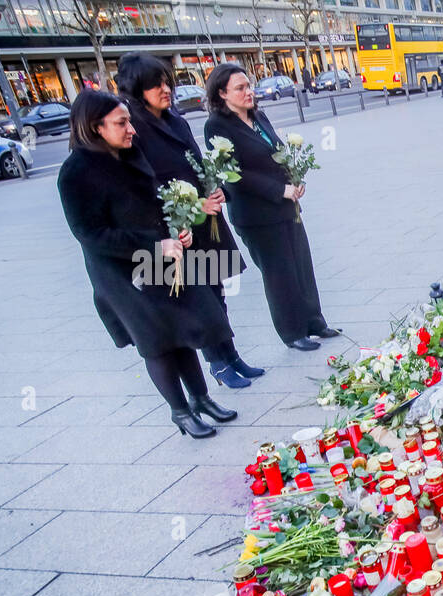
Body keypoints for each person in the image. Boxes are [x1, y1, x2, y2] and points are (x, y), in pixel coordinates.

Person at [58, 90, 237, 438]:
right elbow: (89, 234)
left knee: (183, 329)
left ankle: (201, 399)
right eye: (122, 123)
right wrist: (156, 244)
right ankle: (181, 412)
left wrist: (178, 230)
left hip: (161, 260)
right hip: (123, 275)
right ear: (96, 127)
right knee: (156, 341)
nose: (131, 130)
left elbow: (156, 202)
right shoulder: (75, 172)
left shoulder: (129, 154)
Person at [115, 52, 261, 389]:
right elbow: (144, 182)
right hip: (177, 226)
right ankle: (217, 362)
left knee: (217, 290)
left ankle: (231, 354)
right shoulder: (135, 128)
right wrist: (192, 206)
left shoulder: (174, 119)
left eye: (166, 82)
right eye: (156, 85)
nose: (166, 90)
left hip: (205, 218)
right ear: (137, 89)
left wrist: (215, 189)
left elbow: (197, 162)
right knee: (199, 298)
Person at [203, 63, 336, 351]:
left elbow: (277, 154)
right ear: (222, 93)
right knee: (279, 274)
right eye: (240, 88)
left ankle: (315, 322)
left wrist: (295, 180)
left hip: (286, 207)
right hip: (256, 215)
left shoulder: (258, 117)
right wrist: (279, 190)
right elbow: (233, 175)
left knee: (301, 265)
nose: (248, 91)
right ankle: (292, 332)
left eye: (248, 85)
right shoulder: (216, 126)